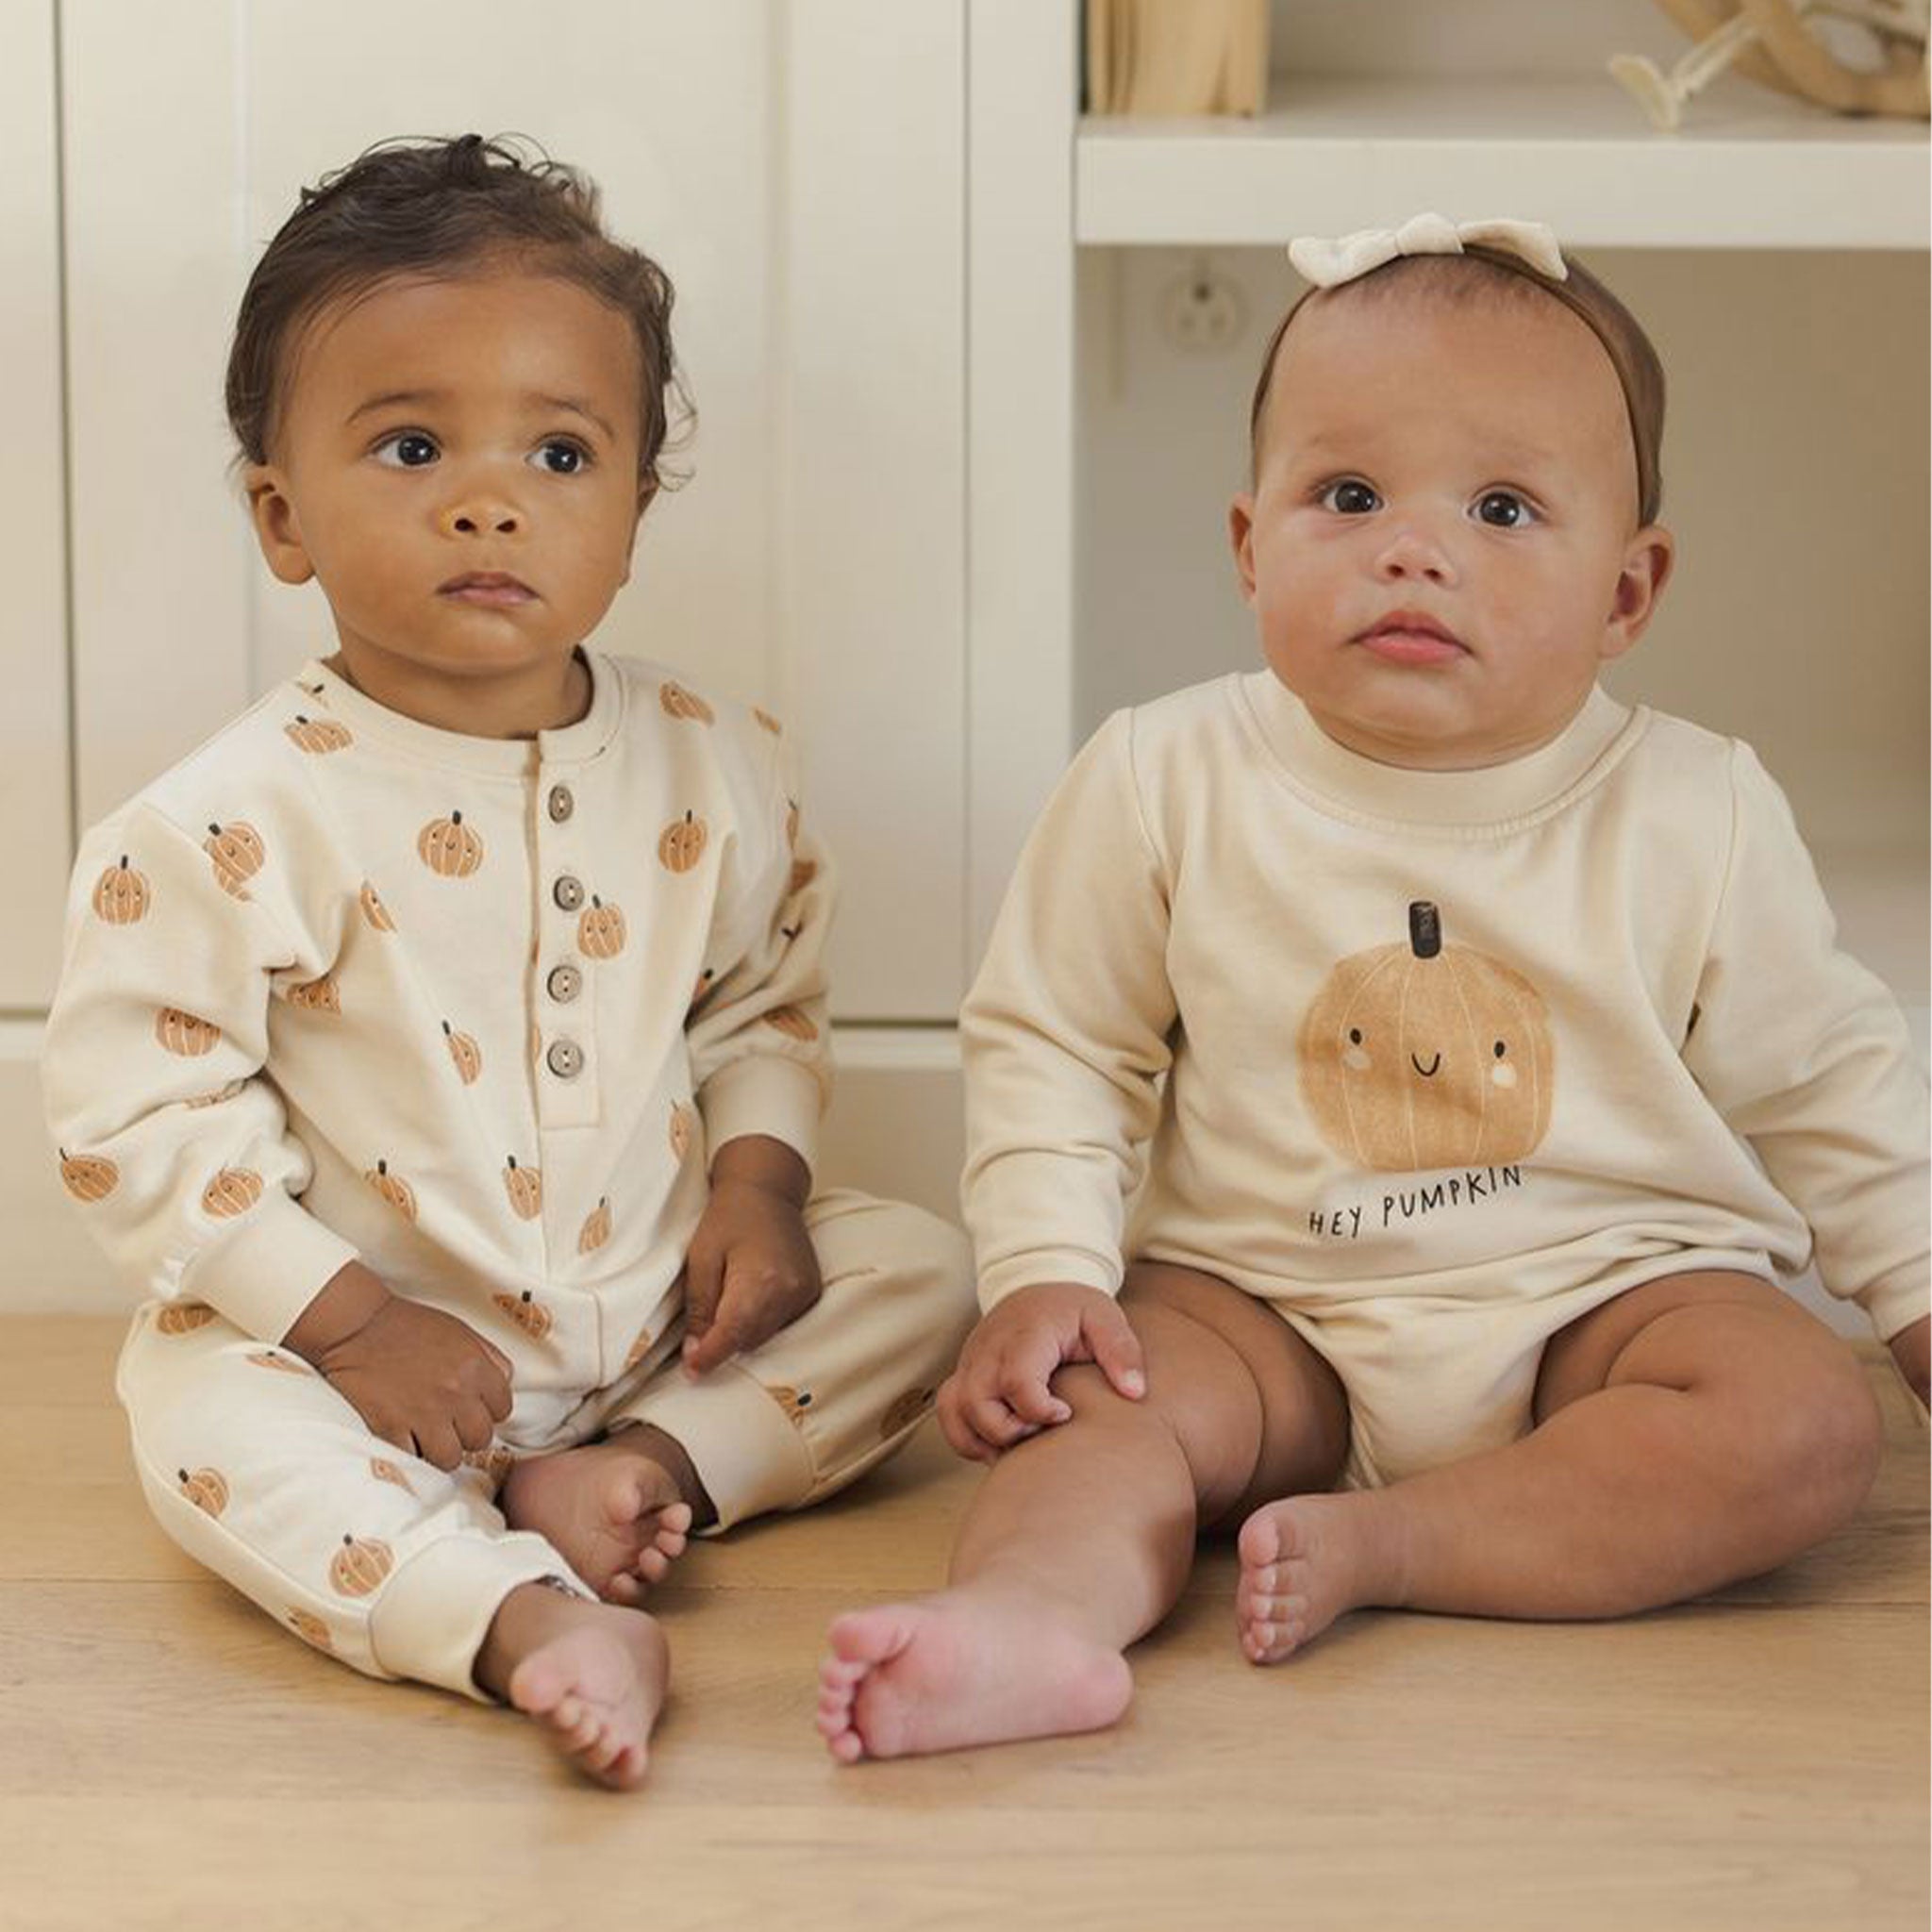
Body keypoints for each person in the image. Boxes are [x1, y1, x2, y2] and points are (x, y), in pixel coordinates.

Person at [815, 213, 1929, 1762]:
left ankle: (1404, 1547)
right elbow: (1061, 1042)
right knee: (1105, 1422)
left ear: (1628, 591)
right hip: (1267, 1311)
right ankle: (1034, 1618)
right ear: (1249, 543)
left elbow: (1826, 1079)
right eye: (1348, 495)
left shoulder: (1694, 807)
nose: (1415, 547)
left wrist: (1920, 1291)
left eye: (1503, 506)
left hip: (1599, 1310)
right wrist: (1048, 1271)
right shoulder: (1165, 776)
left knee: (1804, 1424)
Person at [42, 134, 974, 1791]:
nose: (491, 498)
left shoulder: (712, 758)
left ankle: (645, 1471)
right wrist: (340, 1329)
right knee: (196, 1418)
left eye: (560, 451)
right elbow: (138, 1116)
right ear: (284, 516)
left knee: (919, 1270)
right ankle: (514, 1616)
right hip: (371, 1348)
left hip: (652, 1329)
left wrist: (758, 1192)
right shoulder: (227, 822)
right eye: (411, 445)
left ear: (631, 507)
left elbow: (760, 995)